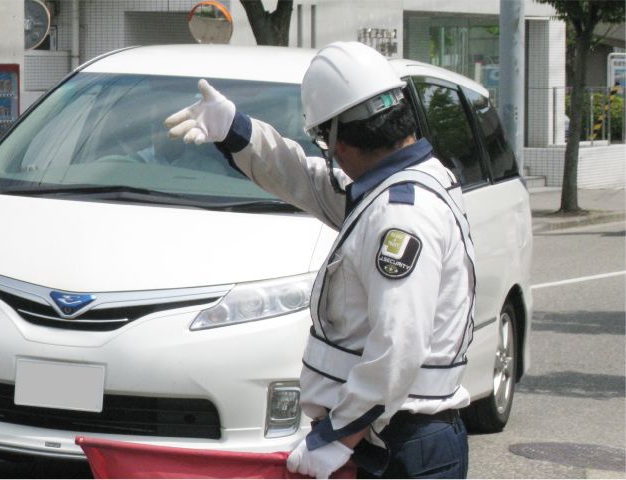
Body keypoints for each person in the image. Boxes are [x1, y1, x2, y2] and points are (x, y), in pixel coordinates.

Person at [165, 42, 475, 479]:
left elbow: (398, 346)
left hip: (398, 444)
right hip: (389, 434)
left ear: (338, 140)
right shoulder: (403, 183)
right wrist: (237, 131)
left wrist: (336, 437)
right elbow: (307, 180)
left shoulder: (400, 215)